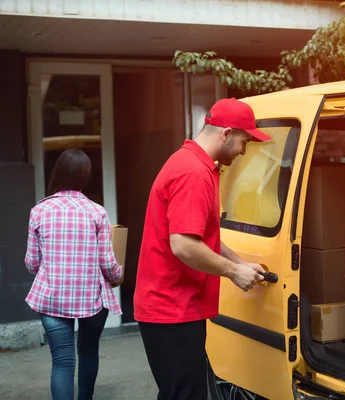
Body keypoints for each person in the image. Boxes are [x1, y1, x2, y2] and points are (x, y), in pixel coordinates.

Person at [134, 97, 272, 400]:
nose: (244, 151)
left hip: (174, 308)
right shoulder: (193, 173)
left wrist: (240, 261)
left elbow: (200, 236)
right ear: (225, 134)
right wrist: (234, 272)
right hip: (172, 309)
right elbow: (183, 245)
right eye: (243, 142)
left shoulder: (193, 164)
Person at [24, 148, 124, 400]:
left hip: (51, 298)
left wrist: (52, 271)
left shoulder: (39, 211)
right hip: (92, 298)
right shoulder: (96, 212)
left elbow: (32, 262)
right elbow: (107, 261)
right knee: (88, 352)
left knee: (62, 362)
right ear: (85, 176)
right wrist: (117, 274)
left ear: (57, 172)